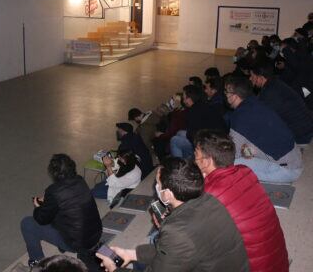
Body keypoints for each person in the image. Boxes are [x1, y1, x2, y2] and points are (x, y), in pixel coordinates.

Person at [95, 158, 248, 272]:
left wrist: (114, 269)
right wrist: (131, 253)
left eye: (158, 184)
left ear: (167, 194)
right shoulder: (210, 201)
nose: (156, 188)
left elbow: (176, 244)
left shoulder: (177, 232)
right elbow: (171, 251)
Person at [193, 130, 289, 272]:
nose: (194, 159)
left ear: (206, 162)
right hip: (278, 264)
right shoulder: (245, 171)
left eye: (196, 155)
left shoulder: (209, 192)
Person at [19, 154, 102, 271]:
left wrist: (38, 206)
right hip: (95, 235)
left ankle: (36, 262)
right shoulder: (80, 180)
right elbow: (70, 201)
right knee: (63, 213)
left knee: (27, 223)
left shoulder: (53, 191)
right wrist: (48, 201)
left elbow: (41, 219)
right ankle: (61, 246)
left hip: (76, 244)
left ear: (54, 173)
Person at [224, 76, 303, 183]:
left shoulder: (239, 116)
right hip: (295, 160)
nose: (225, 95)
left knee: (229, 166)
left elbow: (233, 155)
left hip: (286, 171)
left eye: (226, 92)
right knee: (244, 151)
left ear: (234, 96)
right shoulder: (256, 103)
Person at [250, 61, 313, 144]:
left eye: (252, 76)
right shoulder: (275, 83)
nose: (250, 79)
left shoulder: (270, 92)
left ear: (261, 77)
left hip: (301, 135)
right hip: (306, 127)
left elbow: (262, 118)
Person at [169, 85, 227, 159]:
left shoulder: (193, 112)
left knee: (174, 140)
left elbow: (193, 135)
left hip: (209, 147)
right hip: (218, 140)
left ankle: (179, 166)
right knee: (180, 133)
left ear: (189, 99)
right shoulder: (205, 105)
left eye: (184, 98)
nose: (183, 101)